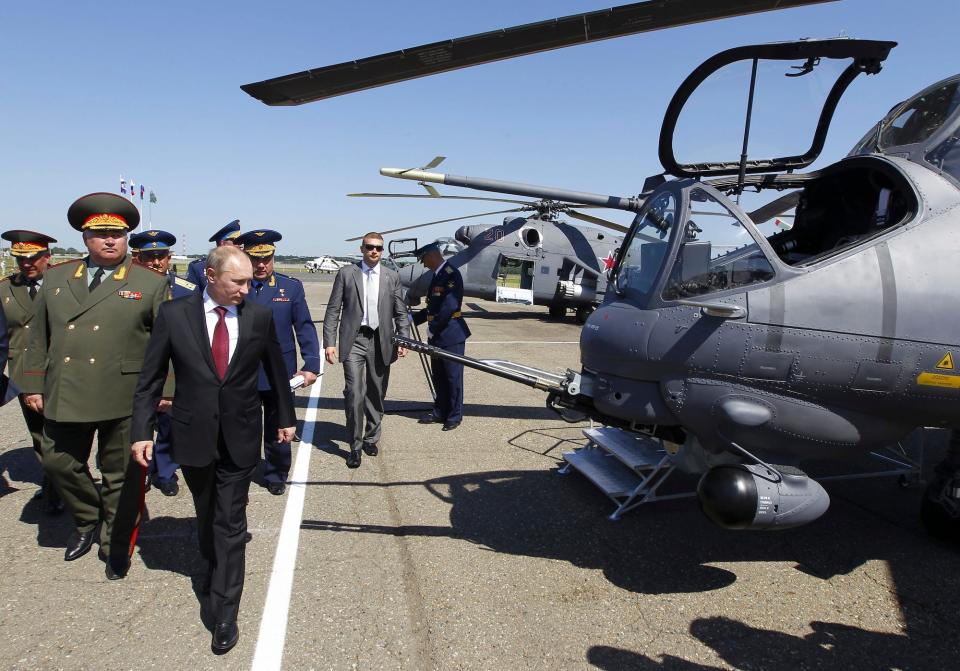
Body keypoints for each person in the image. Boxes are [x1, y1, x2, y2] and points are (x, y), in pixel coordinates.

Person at [130, 245, 296, 655]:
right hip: (193, 436)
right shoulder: (175, 316)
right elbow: (150, 379)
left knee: (230, 522)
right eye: (237, 281)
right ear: (211, 277)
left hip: (240, 436)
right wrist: (141, 431)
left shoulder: (258, 316)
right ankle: (210, 565)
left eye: (249, 282)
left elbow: (277, 372)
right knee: (207, 515)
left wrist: (284, 419)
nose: (247, 287)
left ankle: (225, 611)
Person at [20, 193, 171, 576]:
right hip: (66, 388)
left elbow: (166, 343)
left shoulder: (148, 282)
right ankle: (88, 518)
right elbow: (38, 336)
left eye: (117, 234)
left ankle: (112, 540)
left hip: (123, 392)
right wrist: (33, 383)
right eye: (100, 233)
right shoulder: (56, 277)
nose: (109, 241)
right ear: (85, 237)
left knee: (120, 472)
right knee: (58, 463)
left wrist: (166, 391)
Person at [235, 229, 319, 493]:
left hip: (279, 372)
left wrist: (311, 364)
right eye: (255, 258)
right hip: (242, 372)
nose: (261, 264)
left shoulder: (290, 287)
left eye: (266, 258)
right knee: (243, 428)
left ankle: (276, 474)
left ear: (273, 257)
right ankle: (241, 470)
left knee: (279, 425)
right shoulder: (235, 287)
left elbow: (304, 326)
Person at [322, 231, 409, 468]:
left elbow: (400, 312)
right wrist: (329, 342)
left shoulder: (392, 277)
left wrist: (404, 338)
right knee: (354, 392)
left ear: (382, 251)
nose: (374, 251)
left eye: (378, 248)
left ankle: (372, 436)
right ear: (362, 249)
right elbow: (333, 310)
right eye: (370, 247)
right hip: (354, 340)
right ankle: (355, 446)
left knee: (376, 392)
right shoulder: (347, 274)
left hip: (381, 340)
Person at [130, 229, 198, 496]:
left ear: (169, 258)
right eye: (149, 257)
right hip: (136, 368)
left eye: (160, 256)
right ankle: (141, 471)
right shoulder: (128, 289)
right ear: (138, 258)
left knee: (170, 426)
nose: (155, 262)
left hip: (174, 369)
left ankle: (166, 472)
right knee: (138, 423)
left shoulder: (186, 291)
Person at [0, 230, 64, 513]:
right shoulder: (5, 289)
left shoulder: (63, 285)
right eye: (20, 259)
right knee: (38, 434)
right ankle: (52, 484)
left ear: (47, 256)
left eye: (33, 258)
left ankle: (64, 483)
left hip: (62, 371)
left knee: (64, 434)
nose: (26, 264)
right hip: (25, 374)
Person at [414, 242, 471, 431]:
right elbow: (433, 306)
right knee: (438, 376)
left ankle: (454, 415)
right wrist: (412, 318)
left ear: (432, 256)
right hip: (438, 334)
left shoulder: (450, 274)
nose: (423, 264)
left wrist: (434, 328)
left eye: (423, 260)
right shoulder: (438, 274)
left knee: (453, 377)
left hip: (450, 334)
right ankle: (440, 411)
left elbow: (449, 306)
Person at [186, 219, 241, 290]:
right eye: (236, 241)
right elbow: (190, 296)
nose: (239, 245)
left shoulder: (244, 266)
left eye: (240, 242)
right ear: (223, 243)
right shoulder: (199, 268)